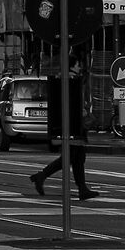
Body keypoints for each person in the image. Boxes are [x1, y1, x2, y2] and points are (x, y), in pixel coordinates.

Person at [33, 43, 97, 201]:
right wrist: (80, 111)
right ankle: (42, 176)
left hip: (72, 124)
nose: (79, 67)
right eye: (76, 65)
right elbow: (72, 102)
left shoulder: (66, 79)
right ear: (71, 66)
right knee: (71, 157)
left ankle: (82, 189)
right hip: (73, 125)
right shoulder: (70, 80)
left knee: (77, 158)